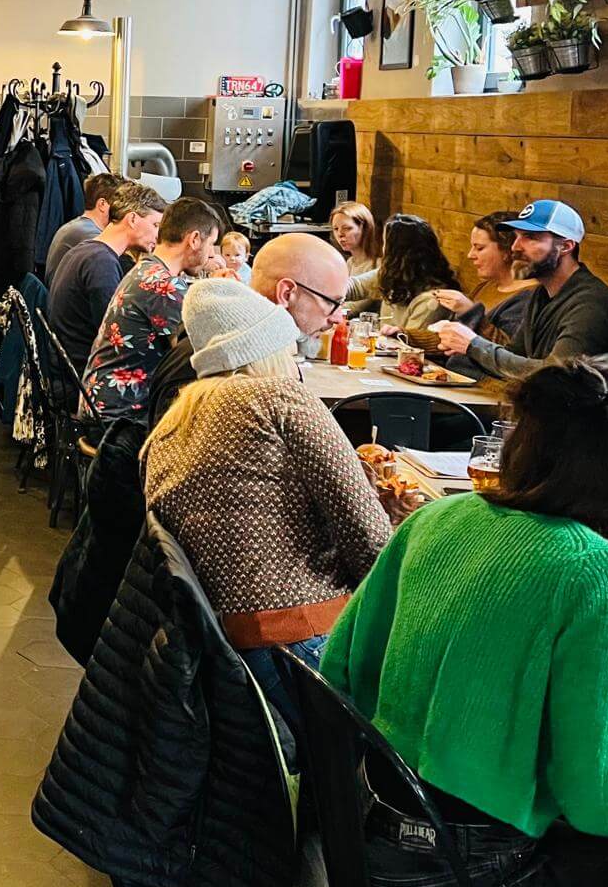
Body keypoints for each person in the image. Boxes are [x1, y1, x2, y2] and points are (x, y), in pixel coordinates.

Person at [320, 355, 608, 887]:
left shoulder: (438, 517)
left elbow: (340, 669)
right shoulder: (600, 572)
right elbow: (606, 802)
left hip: (371, 848)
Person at [144, 278, 390, 723]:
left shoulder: (173, 423)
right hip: (303, 644)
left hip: (224, 650)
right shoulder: (280, 397)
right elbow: (371, 540)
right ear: (269, 350)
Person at [147, 231, 353, 426]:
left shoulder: (252, 350)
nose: (337, 318)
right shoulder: (224, 366)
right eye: (332, 302)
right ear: (286, 293)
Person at [433, 200, 608, 379]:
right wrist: (466, 348)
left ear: (565, 246)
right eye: (516, 236)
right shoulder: (542, 294)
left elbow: (556, 375)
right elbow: (514, 356)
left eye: (530, 237)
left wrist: (474, 345)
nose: (515, 247)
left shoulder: (591, 305)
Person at [80, 196, 220, 424]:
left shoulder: (147, 269)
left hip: (104, 404)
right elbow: (208, 348)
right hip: (120, 419)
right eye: (211, 243)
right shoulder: (162, 286)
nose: (211, 253)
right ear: (194, 239)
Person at [47, 182, 166, 376]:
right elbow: (116, 332)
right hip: (85, 376)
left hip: (67, 368)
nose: (158, 235)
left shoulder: (86, 250)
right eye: (155, 225)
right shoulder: (101, 262)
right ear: (133, 219)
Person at [342, 213, 460, 342]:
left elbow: (410, 346)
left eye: (385, 244)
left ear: (397, 253)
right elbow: (355, 286)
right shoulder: (394, 275)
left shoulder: (431, 300)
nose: (383, 250)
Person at [431, 210, 537, 346]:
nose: (470, 255)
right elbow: (450, 339)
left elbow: (506, 350)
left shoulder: (528, 297)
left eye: (479, 248)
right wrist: (406, 336)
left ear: (507, 251)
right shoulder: (485, 286)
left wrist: (470, 312)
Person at [43, 172, 123, 284]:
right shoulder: (92, 237)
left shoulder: (78, 227)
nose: (123, 211)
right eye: (120, 204)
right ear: (102, 204)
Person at [331, 201, 382, 314]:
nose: (340, 234)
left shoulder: (378, 264)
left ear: (365, 229)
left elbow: (357, 306)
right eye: (336, 229)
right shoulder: (350, 262)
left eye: (347, 228)